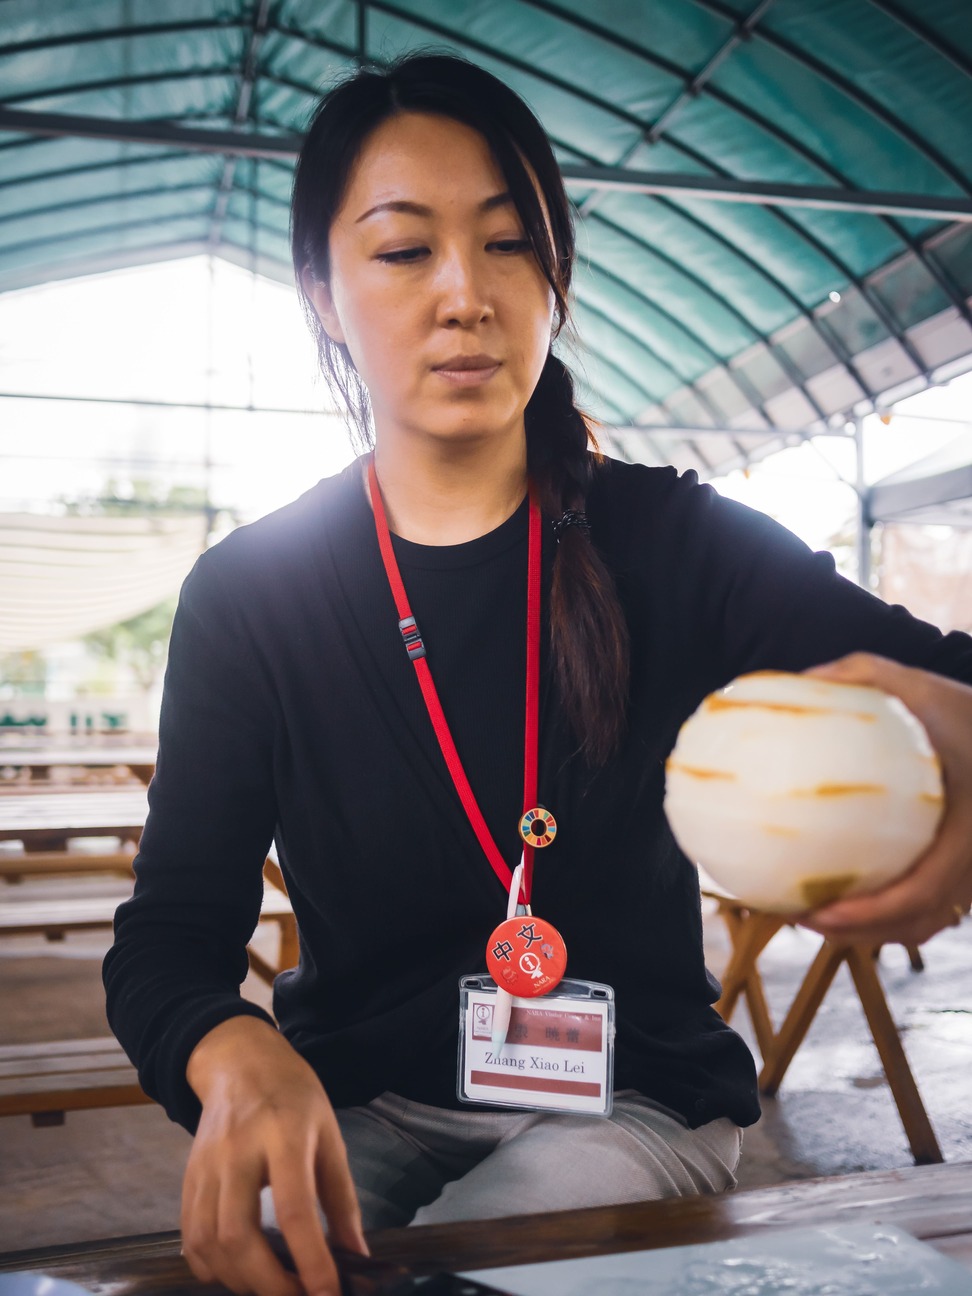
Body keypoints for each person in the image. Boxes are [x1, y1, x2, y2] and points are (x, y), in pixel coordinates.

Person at [104, 51, 972, 1296]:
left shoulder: (674, 541)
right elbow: (169, 938)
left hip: (633, 1100)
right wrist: (231, 1048)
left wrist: (955, 731)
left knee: (492, 1263)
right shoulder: (252, 594)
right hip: (368, 1096)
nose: (466, 294)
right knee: (270, 1261)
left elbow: (950, 682)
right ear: (323, 294)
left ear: (554, 275)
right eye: (406, 250)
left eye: (510, 243)